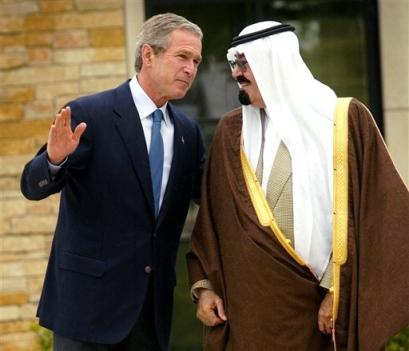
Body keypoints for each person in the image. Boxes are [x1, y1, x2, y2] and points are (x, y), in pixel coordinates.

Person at [186, 21, 409, 351]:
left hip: (321, 315)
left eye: (245, 64)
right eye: (234, 65)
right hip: (250, 318)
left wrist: (338, 290)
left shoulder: (344, 121)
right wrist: (204, 287)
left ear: (276, 63)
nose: (237, 74)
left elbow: (381, 216)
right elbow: (212, 222)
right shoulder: (231, 132)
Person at [21, 13, 205, 351]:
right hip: (87, 310)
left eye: (196, 60)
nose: (191, 69)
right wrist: (54, 159)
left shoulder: (188, 134)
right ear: (148, 55)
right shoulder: (91, 114)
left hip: (150, 315)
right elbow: (32, 186)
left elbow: (210, 201)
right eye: (182, 57)